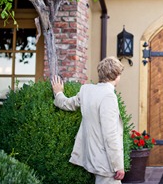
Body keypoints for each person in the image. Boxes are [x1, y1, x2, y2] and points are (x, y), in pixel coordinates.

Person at [51, 56, 125, 184]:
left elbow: (68, 103)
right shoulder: (109, 96)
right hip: (106, 162)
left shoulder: (87, 90)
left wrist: (58, 93)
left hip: (91, 156)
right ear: (116, 75)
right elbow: (111, 135)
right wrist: (118, 165)